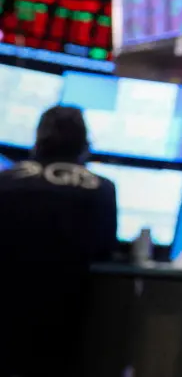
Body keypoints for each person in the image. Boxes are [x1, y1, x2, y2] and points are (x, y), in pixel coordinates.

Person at [0, 106, 117, 377]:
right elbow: (105, 249)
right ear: (84, 146)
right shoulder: (101, 189)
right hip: (67, 323)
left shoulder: (6, 182)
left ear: (37, 142)